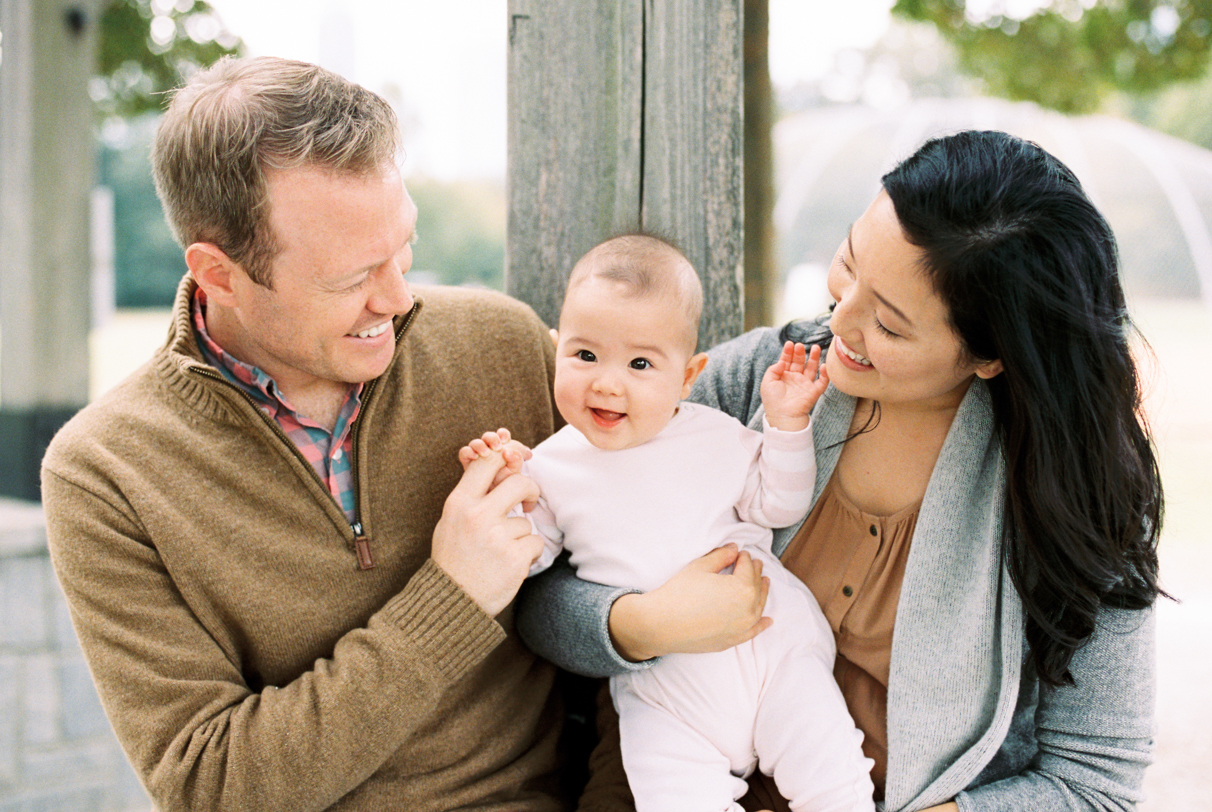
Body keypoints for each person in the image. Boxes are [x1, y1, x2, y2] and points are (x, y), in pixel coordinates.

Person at [516, 130, 1163, 812]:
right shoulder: (759, 380)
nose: (838, 321)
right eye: (848, 263)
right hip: (674, 767)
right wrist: (641, 624)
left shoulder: (1083, 495)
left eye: (889, 324)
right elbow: (542, 595)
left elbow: (1095, 784)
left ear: (989, 356)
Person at [40, 55, 592, 811]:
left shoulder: (504, 346)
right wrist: (453, 597)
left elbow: (636, 619)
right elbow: (209, 785)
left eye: (403, 249)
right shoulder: (104, 474)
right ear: (219, 273)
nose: (397, 299)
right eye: (351, 278)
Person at [460, 235, 875, 812]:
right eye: (585, 356)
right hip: (664, 690)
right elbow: (531, 559)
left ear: (687, 376)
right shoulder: (549, 467)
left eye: (640, 364)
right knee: (671, 795)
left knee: (832, 779)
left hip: (768, 648)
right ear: (556, 351)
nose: (607, 383)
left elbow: (778, 506)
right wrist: (504, 491)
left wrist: (785, 426)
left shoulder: (716, 435)